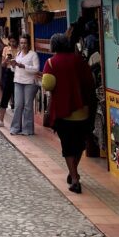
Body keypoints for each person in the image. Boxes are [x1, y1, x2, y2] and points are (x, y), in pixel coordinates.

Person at [41, 33, 96, 193]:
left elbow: (48, 85)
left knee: (67, 146)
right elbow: (89, 82)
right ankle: (74, 172)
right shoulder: (80, 61)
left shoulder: (51, 63)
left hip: (63, 111)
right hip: (82, 110)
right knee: (79, 144)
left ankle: (75, 179)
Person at [10, 34, 41, 136]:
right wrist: (13, 65)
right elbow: (14, 69)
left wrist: (24, 66)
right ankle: (15, 128)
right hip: (18, 81)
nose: (23, 45)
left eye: (25, 43)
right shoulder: (18, 54)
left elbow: (36, 69)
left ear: (29, 44)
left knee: (27, 106)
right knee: (18, 105)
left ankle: (28, 129)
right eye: (21, 43)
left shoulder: (33, 55)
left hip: (29, 83)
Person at [0, 36, 17, 128]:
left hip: (18, 73)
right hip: (8, 73)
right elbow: (2, 64)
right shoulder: (6, 49)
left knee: (17, 97)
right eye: (10, 41)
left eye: (14, 41)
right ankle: (1, 119)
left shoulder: (19, 49)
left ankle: (17, 121)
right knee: (5, 96)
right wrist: (7, 60)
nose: (12, 43)